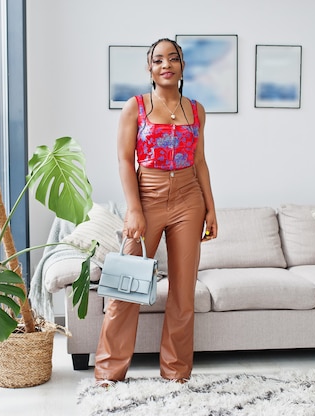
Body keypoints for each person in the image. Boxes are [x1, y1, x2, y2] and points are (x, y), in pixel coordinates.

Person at [94, 38, 218, 386]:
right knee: (126, 288)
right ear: (149, 68)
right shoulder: (135, 107)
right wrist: (133, 208)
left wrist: (210, 208)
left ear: (182, 67)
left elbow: (200, 162)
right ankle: (108, 374)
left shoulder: (197, 109)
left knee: (183, 292)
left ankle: (176, 373)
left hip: (188, 199)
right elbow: (124, 159)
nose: (167, 65)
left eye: (173, 59)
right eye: (159, 60)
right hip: (146, 196)